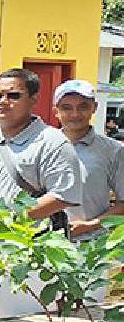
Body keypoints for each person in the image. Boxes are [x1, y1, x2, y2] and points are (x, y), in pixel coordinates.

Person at [0, 68, 82, 319]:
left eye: (13, 96)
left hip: (24, 256)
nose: (2, 102)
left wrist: (8, 221)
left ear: (33, 99)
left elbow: (63, 194)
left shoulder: (52, 142)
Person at [54, 80, 124, 242]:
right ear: (55, 111)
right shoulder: (41, 146)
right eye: (66, 107)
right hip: (45, 245)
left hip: (92, 245)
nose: (75, 114)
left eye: (83, 106)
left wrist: (91, 225)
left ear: (95, 108)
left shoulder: (113, 150)